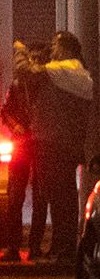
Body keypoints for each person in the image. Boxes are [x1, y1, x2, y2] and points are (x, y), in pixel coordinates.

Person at [40, 32, 93, 262]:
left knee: (64, 198)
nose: (52, 49)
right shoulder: (67, 72)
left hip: (64, 144)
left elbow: (41, 70)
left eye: (55, 44)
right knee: (59, 197)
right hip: (59, 143)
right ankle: (61, 245)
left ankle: (66, 247)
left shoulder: (72, 70)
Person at [3, 41, 48, 265]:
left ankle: (34, 247)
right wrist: (15, 126)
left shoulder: (48, 84)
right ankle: (13, 247)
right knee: (15, 196)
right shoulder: (18, 85)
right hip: (22, 142)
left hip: (39, 143)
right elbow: (7, 111)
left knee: (41, 197)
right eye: (34, 57)